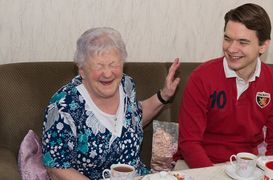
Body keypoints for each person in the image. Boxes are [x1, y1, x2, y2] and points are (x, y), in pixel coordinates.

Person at [41, 27, 180, 179]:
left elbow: (135, 119)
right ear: (82, 70)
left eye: (113, 64)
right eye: (99, 66)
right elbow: (55, 167)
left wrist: (164, 95)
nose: (107, 73)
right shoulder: (64, 105)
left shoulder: (126, 84)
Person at [174, 3, 273, 168]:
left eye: (243, 42)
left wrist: (269, 174)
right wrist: (212, 176)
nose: (231, 48)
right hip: (198, 165)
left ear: (263, 46)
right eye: (227, 39)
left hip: (247, 167)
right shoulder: (201, 77)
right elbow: (189, 143)